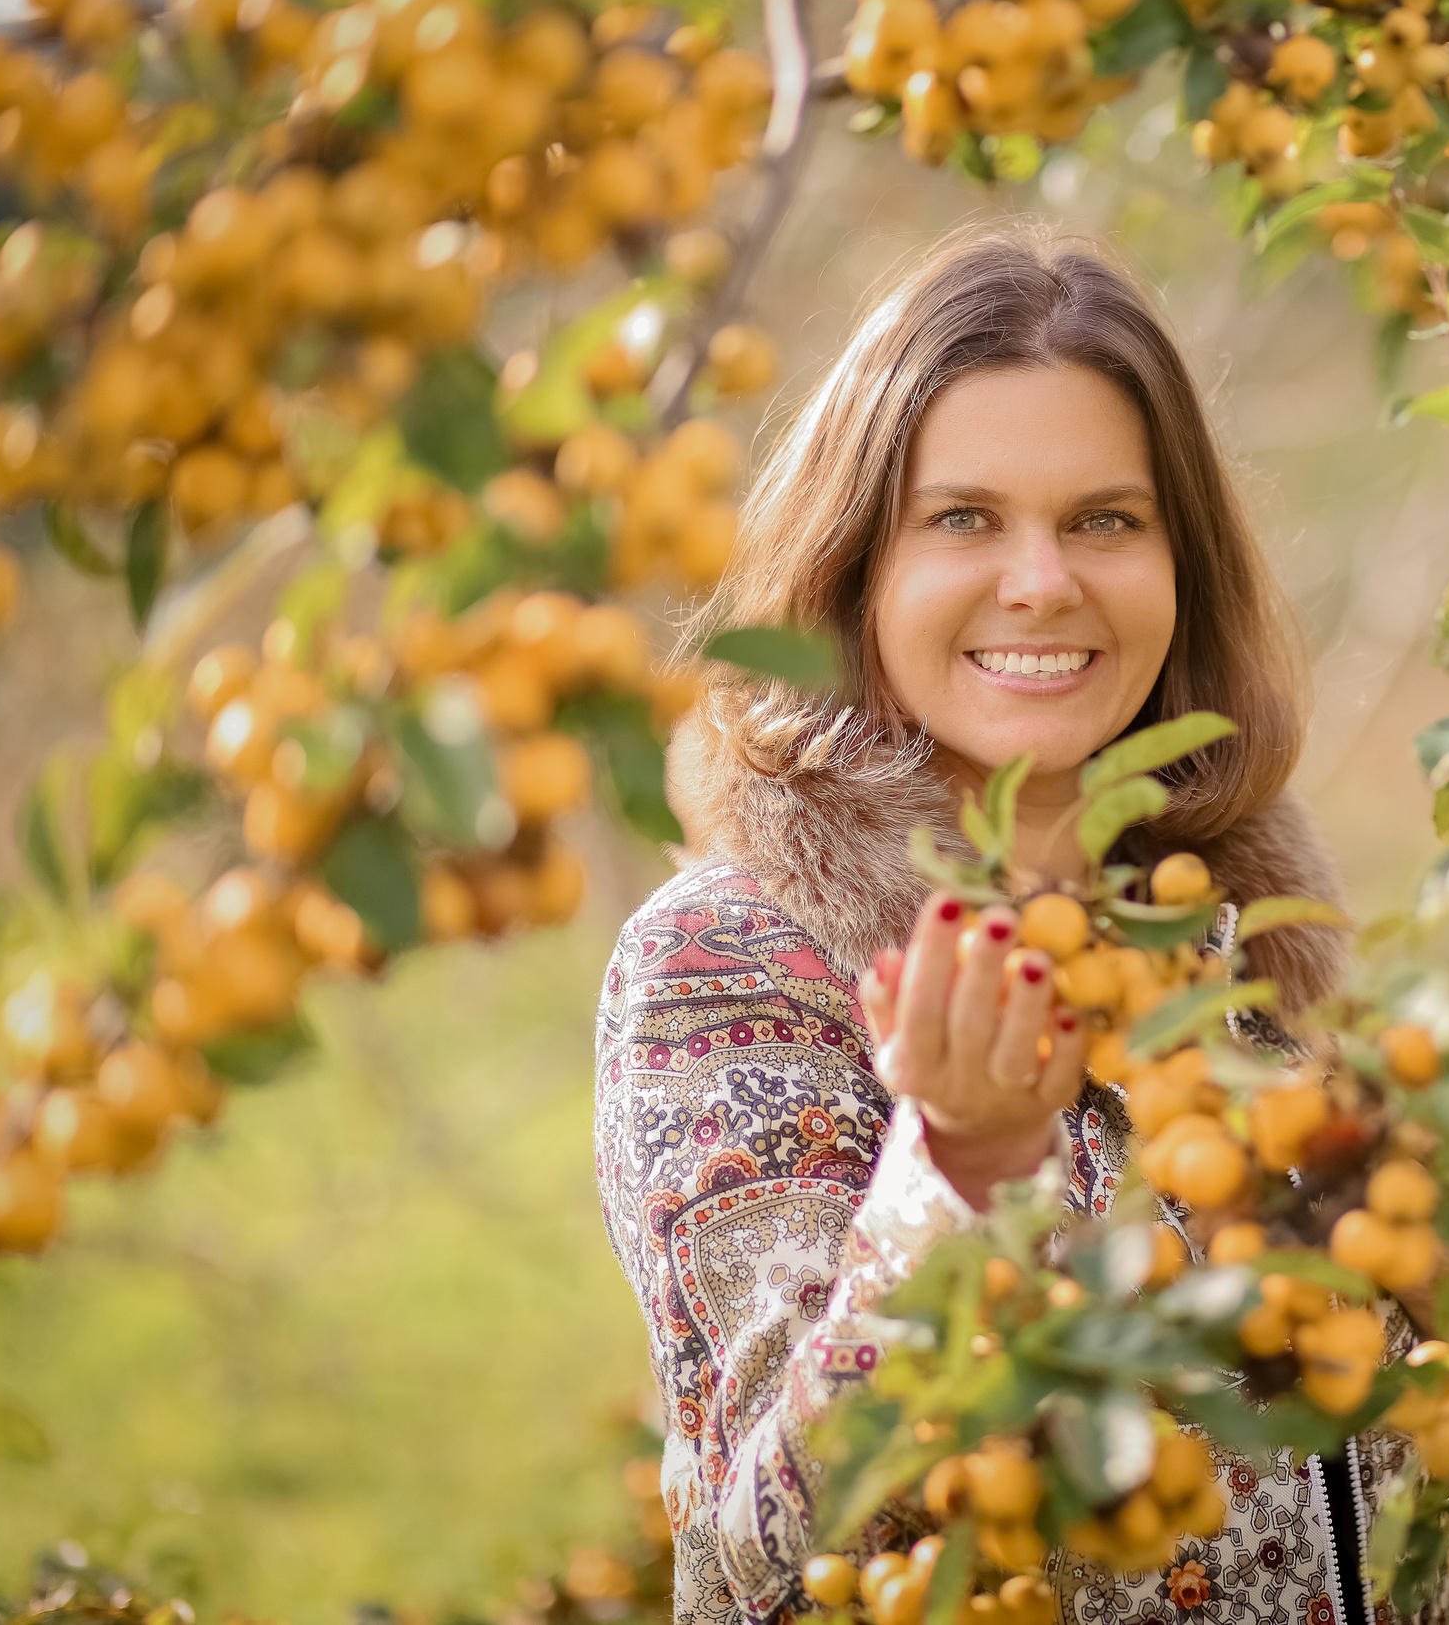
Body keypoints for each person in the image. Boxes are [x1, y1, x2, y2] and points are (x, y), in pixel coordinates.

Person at [594, 224, 1403, 1625]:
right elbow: (772, 1544)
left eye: (1105, 519)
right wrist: (956, 1177)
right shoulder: (736, 961)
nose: (1043, 583)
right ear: (858, 566)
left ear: (1179, 567)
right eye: (963, 519)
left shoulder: (1241, 953)